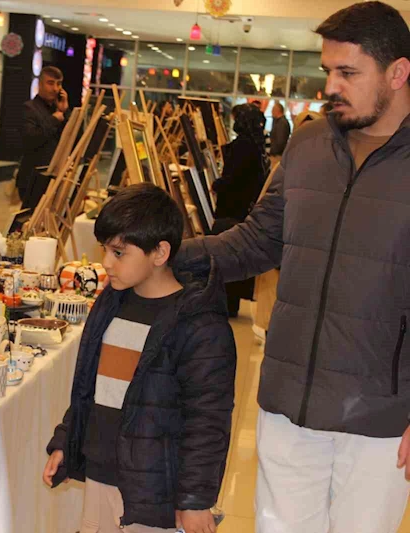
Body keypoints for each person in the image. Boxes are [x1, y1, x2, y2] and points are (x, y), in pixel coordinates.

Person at [176, 3, 410, 531]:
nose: (331, 86)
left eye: (348, 73)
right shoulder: (307, 145)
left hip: (380, 420)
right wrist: (167, 254)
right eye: (328, 70)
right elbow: (259, 240)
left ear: (397, 73)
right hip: (288, 405)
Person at [43, 183, 236, 533]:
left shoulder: (200, 325)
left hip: (154, 492)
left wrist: (194, 500)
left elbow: (208, 422)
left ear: (160, 252)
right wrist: (67, 441)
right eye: (105, 249)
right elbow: (92, 389)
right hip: (100, 475)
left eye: (119, 253)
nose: (106, 263)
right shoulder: (111, 303)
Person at [211, 103, 270, 317]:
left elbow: (232, 179)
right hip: (244, 209)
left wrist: (216, 184)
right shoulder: (256, 145)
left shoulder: (243, 146)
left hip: (232, 208)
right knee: (235, 255)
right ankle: (232, 302)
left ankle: (227, 303)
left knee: (225, 254)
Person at [18, 66, 70, 208]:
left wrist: (65, 112)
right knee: (30, 217)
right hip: (32, 178)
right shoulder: (29, 108)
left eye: (59, 84)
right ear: (40, 84)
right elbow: (30, 139)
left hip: (54, 175)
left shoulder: (59, 110)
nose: (55, 89)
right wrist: (53, 120)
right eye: (50, 83)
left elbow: (72, 137)